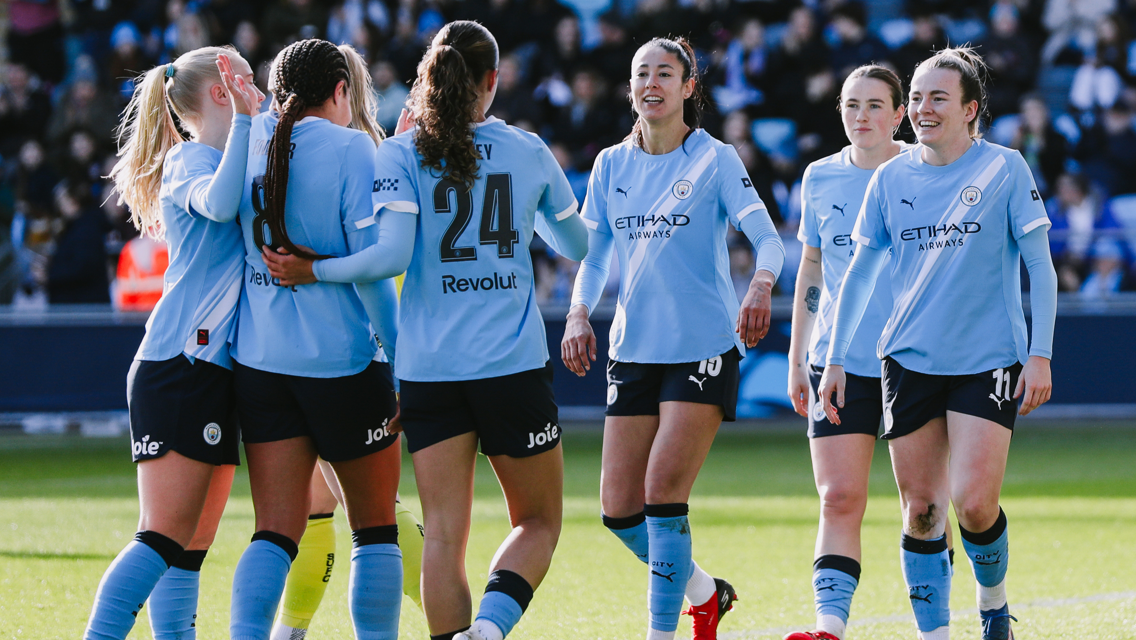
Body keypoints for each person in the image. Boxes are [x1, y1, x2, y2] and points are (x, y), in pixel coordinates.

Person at [263, 22, 589, 640]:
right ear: (491, 81)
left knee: (442, 534)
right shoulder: (527, 149)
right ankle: (488, 631)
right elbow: (578, 243)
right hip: (510, 366)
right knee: (540, 522)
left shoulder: (399, 152)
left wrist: (314, 269)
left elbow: (389, 257)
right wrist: (529, 220)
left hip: (428, 372)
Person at [818, 47, 1058, 640]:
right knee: (922, 510)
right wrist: (838, 358)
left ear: (971, 108)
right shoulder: (889, 179)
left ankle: (994, 604)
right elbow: (860, 274)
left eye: (938, 98)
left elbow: (1041, 267)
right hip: (908, 363)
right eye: (918, 97)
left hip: (988, 360)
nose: (923, 109)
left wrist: (1041, 353)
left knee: (974, 504)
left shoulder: (1005, 169)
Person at [561, 36, 784, 640]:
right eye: (641, 74)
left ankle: (662, 632)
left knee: (661, 495)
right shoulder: (610, 164)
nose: (651, 83)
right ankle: (705, 592)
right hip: (633, 349)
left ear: (689, 87)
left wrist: (760, 287)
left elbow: (769, 241)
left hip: (704, 346)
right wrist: (580, 311)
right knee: (618, 510)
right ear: (630, 87)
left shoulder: (716, 160)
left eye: (665, 73)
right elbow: (594, 250)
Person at [226, 38, 403, 640]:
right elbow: (375, 269)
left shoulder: (246, 139)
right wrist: (404, 367)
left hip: (259, 363)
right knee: (375, 528)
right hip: (342, 365)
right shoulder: (352, 146)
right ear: (341, 91)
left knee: (274, 530)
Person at [83, 47, 262, 640]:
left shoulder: (232, 153)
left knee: (191, 546)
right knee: (161, 535)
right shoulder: (190, 161)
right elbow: (219, 202)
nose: (259, 91)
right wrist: (244, 121)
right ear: (222, 90)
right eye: (248, 81)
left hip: (212, 370)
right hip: (179, 364)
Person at [268, 44, 425, 640]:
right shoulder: (365, 154)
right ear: (345, 90)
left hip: (300, 355)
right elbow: (377, 269)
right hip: (353, 350)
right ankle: (448, 617)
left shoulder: (304, 151)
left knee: (328, 514)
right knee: (364, 517)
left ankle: (286, 631)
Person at [783, 64, 907, 640]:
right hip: (837, 362)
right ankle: (828, 629)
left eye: (875, 105)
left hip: (917, 365)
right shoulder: (818, 177)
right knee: (838, 498)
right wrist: (797, 355)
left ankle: (941, 622)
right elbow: (812, 265)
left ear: (900, 114)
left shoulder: (923, 170)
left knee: (929, 505)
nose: (862, 116)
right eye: (852, 105)